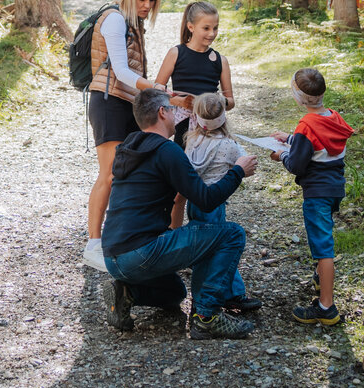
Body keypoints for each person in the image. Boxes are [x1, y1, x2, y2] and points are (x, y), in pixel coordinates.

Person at [101, 86, 257, 340]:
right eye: (173, 109)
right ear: (162, 112)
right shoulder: (167, 150)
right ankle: (207, 317)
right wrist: (238, 171)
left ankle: (126, 292)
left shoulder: (129, 145)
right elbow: (206, 200)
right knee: (232, 235)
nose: (177, 114)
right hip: (141, 252)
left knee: (176, 293)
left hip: (113, 255)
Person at [82, 0, 163, 272]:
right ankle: (93, 242)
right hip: (108, 103)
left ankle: (118, 237)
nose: (146, 5)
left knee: (127, 173)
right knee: (110, 174)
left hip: (125, 103)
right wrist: (158, 89)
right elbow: (123, 72)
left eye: (152, 1)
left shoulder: (134, 24)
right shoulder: (115, 20)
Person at [269, 66, 353, 326]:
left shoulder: (307, 125)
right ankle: (321, 279)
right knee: (324, 240)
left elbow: (296, 165)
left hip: (316, 193)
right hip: (334, 187)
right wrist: (292, 139)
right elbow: (321, 144)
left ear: (298, 95)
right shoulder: (333, 117)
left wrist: (281, 153)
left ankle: (326, 307)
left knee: (323, 248)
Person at [178, 92, 260, 316]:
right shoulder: (228, 145)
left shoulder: (192, 139)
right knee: (211, 252)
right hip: (214, 205)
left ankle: (234, 293)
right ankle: (202, 299)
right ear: (223, 117)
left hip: (195, 203)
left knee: (216, 247)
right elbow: (248, 164)